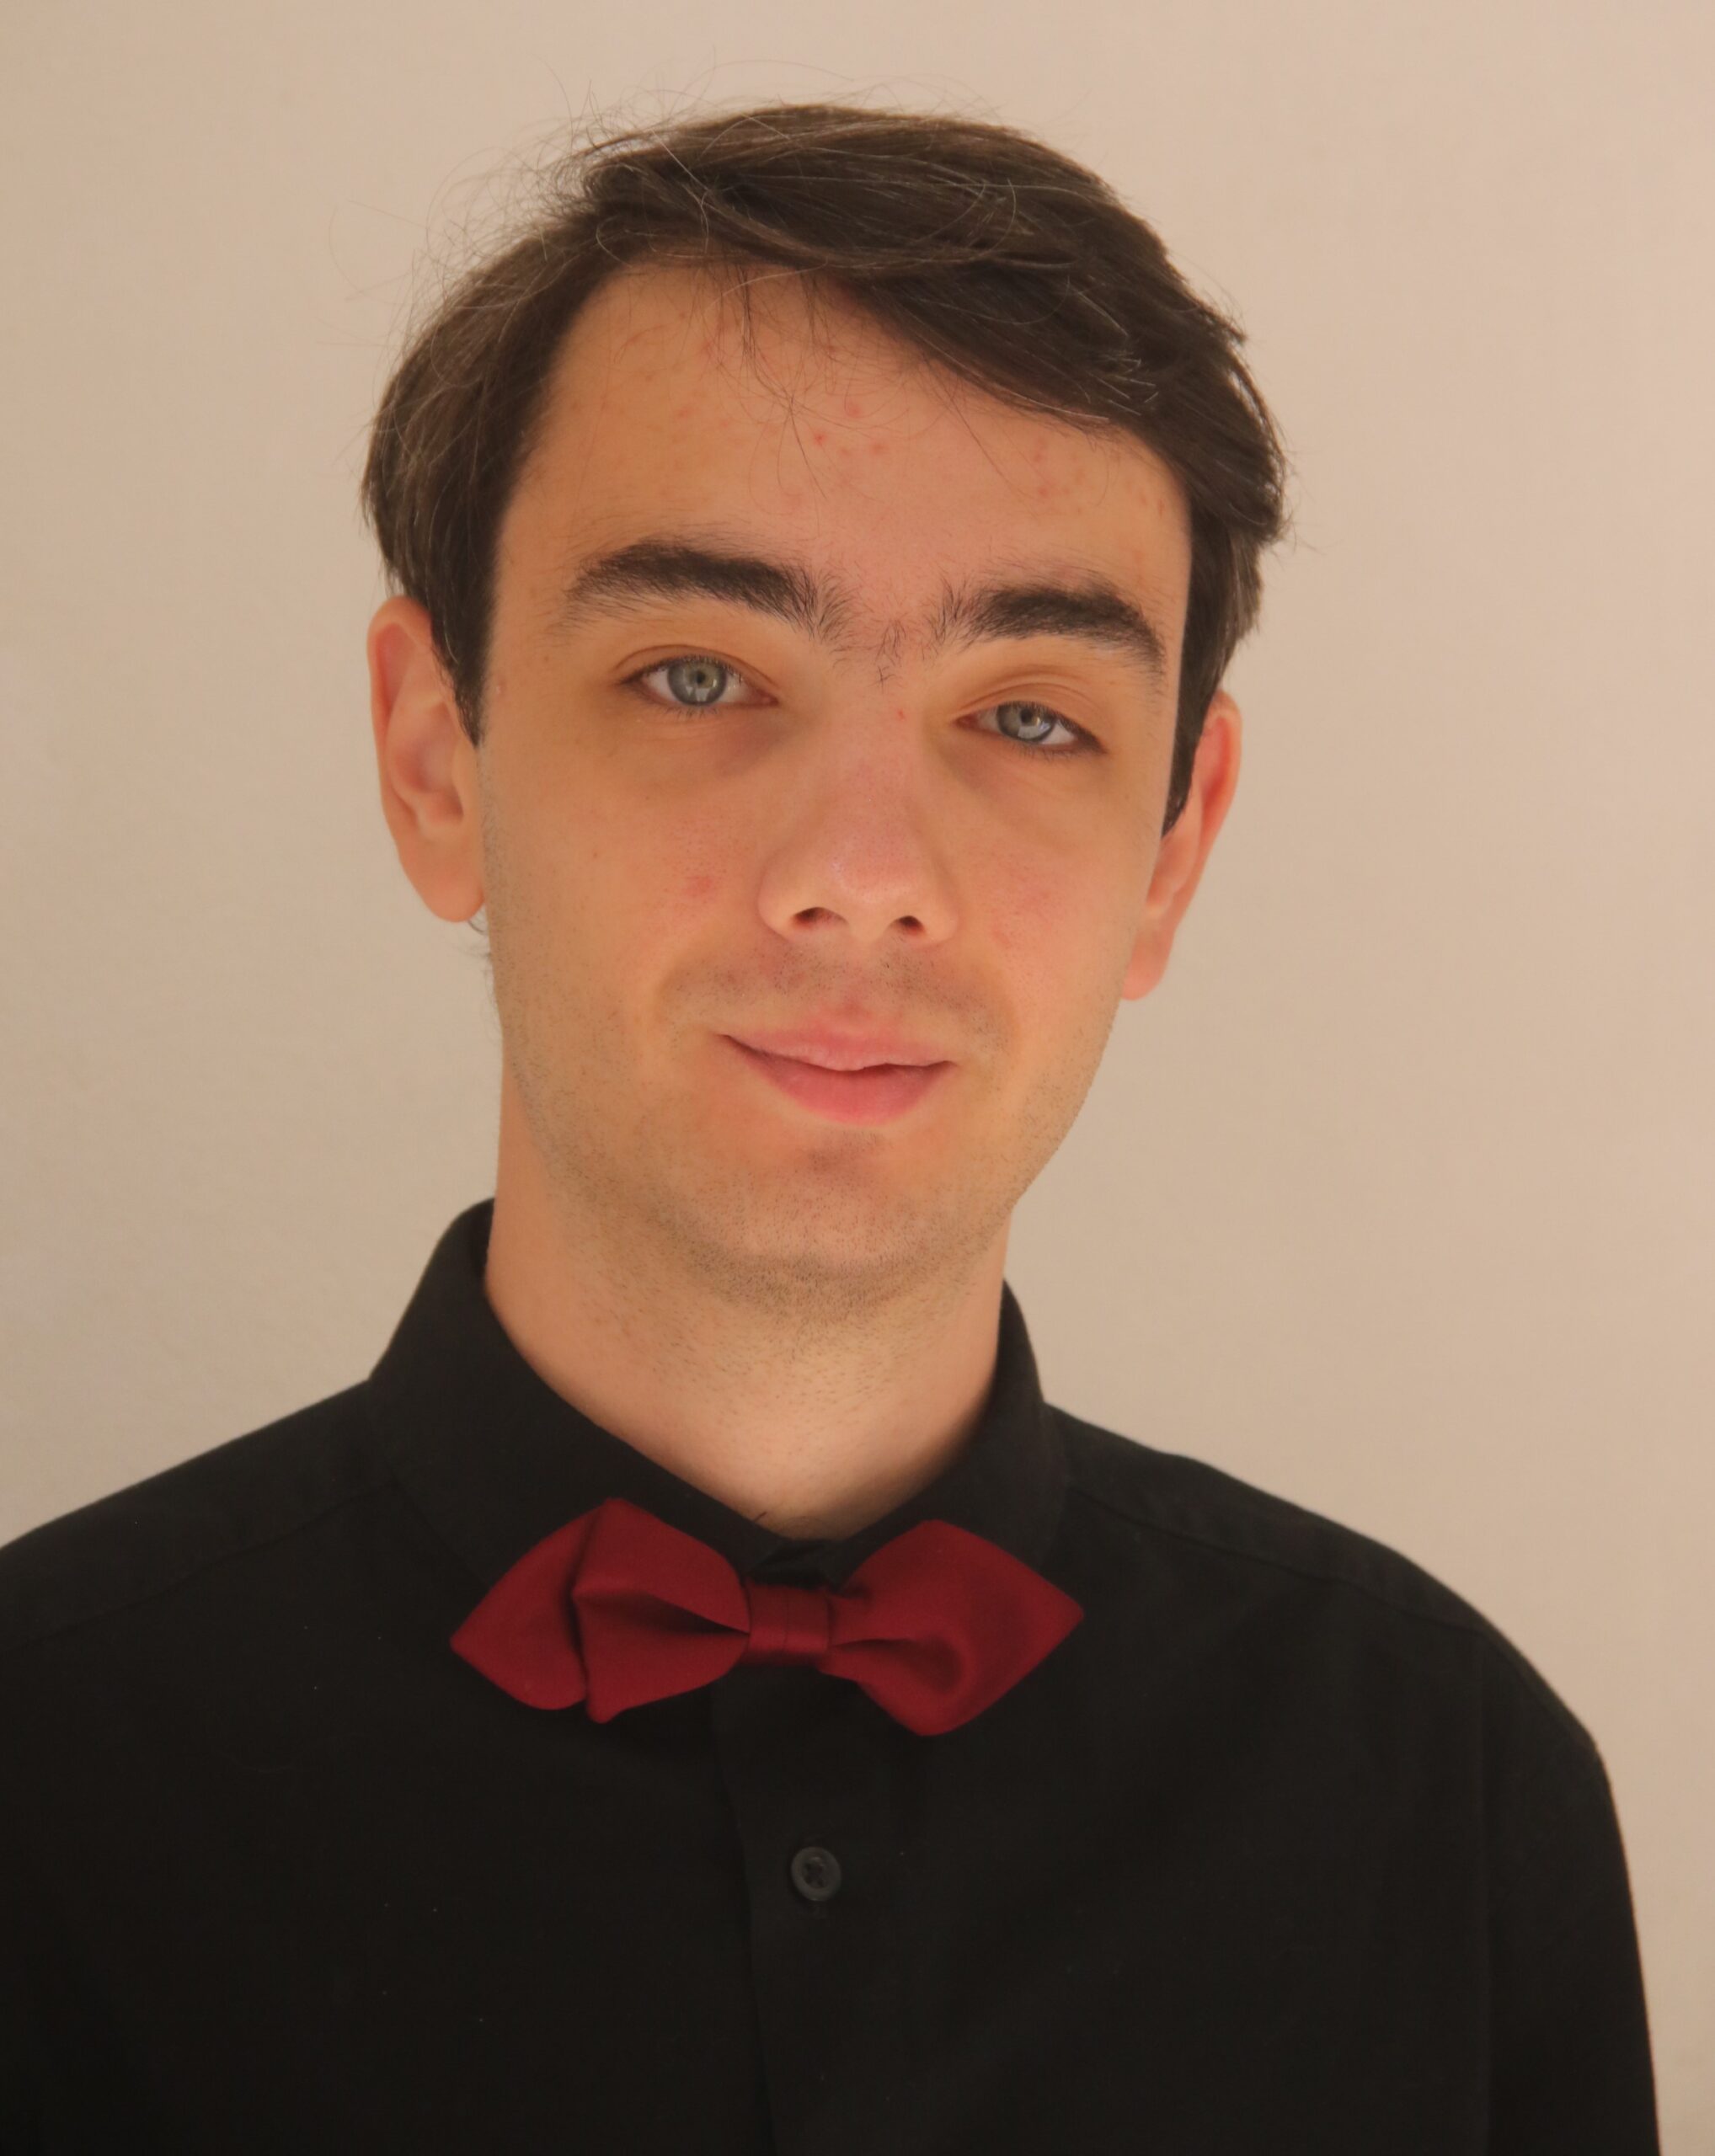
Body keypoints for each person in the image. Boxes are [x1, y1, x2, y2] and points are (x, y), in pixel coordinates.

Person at [0, 98, 1659, 2152]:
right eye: (699, 676)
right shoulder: (37, 1785)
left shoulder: (1455, 1795)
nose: (863, 875)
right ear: (437, 762)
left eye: (1029, 713)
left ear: (1172, 848)